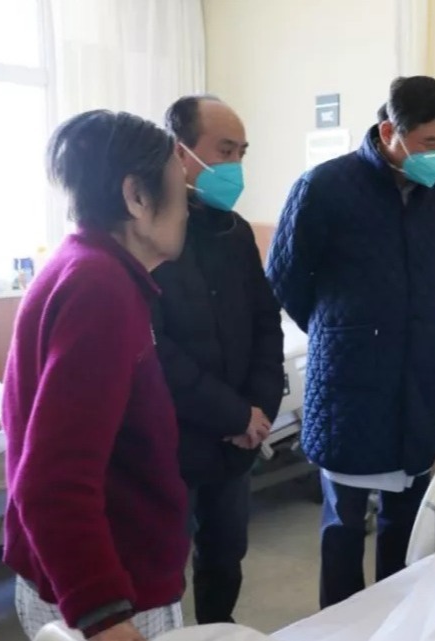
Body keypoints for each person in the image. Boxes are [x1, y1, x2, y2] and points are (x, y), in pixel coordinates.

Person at [266, 75, 435, 608]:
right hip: (348, 381)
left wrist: (407, 324)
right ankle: (339, 625)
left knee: (407, 517)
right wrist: (340, 330)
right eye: (428, 142)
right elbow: (285, 278)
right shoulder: (324, 188)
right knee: (344, 524)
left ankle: (393, 621)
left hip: (415, 375)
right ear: (388, 132)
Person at [1, 110, 190, 641]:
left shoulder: (80, 265)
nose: (186, 210)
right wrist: (104, 615)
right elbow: (52, 480)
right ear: (137, 196)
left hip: (73, 575)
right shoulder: (100, 289)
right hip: (110, 590)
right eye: (180, 192)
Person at [154, 95, 285, 624]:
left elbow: (266, 322)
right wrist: (233, 414)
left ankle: (216, 631)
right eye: (224, 151)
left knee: (225, 557)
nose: (234, 166)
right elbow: (157, 349)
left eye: (241, 153)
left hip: (236, 442)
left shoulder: (235, 233)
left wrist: (258, 409)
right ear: (179, 152)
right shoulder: (150, 238)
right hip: (176, 439)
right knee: (161, 568)